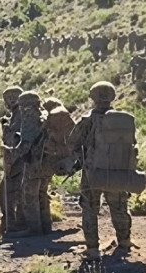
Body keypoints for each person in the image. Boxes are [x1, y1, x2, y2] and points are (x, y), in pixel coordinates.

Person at [69, 82, 138, 258]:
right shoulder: (124, 121)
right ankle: (124, 241)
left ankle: (92, 248)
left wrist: (82, 160)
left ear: (92, 97)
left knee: (90, 209)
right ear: (113, 97)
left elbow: (73, 143)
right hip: (117, 171)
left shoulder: (86, 120)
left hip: (92, 173)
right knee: (119, 207)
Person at [0, 88, 47, 235]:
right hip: (35, 159)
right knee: (34, 192)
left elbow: (25, 142)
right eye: (8, 97)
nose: (12, 100)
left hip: (27, 159)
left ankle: (26, 226)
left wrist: (11, 154)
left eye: (15, 97)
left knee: (23, 193)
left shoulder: (27, 116)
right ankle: (39, 225)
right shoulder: (27, 114)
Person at [38, 98, 75, 234]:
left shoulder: (51, 121)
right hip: (63, 159)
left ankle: (44, 224)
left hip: (50, 160)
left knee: (40, 191)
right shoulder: (66, 120)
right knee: (42, 191)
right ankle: (45, 223)